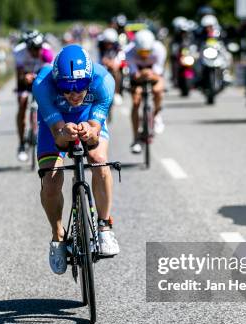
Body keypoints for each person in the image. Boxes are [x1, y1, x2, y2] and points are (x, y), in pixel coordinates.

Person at [32, 44, 120, 274]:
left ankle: (104, 226)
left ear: (89, 79)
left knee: (98, 158)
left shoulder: (104, 81)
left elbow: (96, 127)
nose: (74, 94)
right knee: (51, 180)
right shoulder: (42, 84)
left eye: (80, 86)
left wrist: (91, 130)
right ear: (56, 81)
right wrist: (63, 132)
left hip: (88, 118)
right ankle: (58, 236)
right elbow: (58, 137)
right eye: (66, 88)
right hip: (55, 124)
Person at [14, 30, 54, 161]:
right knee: (22, 103)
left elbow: (50, 73)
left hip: (41, 77)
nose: (37, 52)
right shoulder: (19, 52)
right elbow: (19, 75)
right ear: (28, 47)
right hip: (24, 78)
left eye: (39, 48)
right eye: (34, 49)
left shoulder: (47, 51)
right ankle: (21, 143)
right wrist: (24, 78)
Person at [125, 29, 166, 154]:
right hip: (138, 75)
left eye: (147, 52)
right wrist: (142, 74)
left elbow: (158, 73)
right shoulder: (129, 51)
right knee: (136, 101)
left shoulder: (159, 49)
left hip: (154, 74)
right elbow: (134, 74)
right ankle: (136, 138)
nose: (144, 55)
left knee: (157, 90)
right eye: (141, 52)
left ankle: (157, 114)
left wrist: (149, 74)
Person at [97, 27, 123, 105]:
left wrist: (114, 63)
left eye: (111, 43)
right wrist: (105, 62)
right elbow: (99, 59)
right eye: (107, 43)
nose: (109, 45)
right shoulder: (100, 45)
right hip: (103, 65)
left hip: (113, 64)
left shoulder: (117, 46)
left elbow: (120, 57)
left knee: (117, 72)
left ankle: (117, 92)